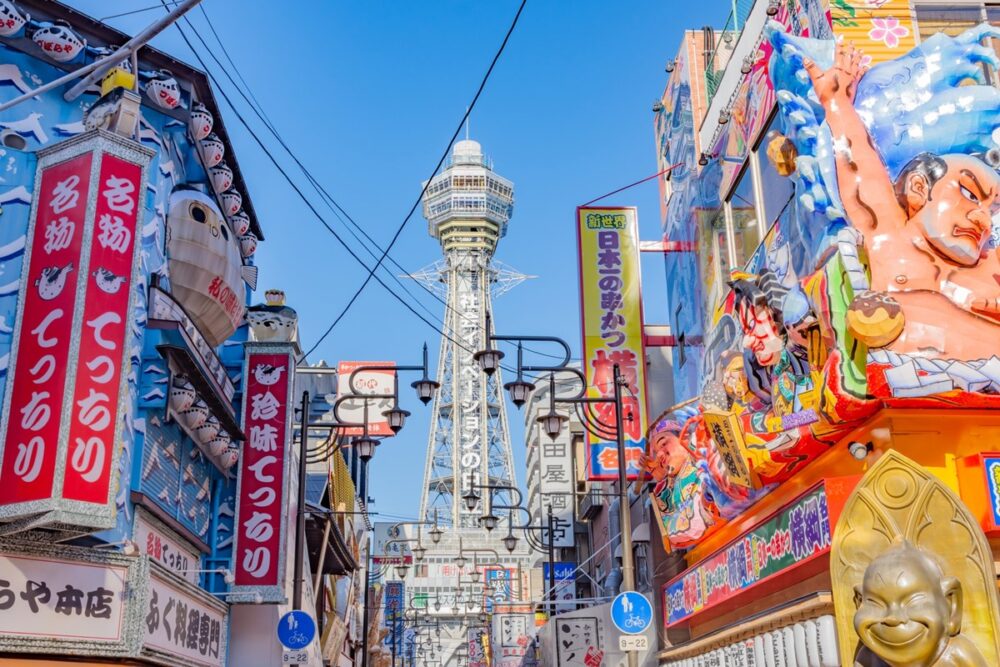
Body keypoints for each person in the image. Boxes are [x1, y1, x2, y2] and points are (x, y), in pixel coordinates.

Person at [804, 43, 1000, 360]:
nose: (983, 219)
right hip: (906, 386)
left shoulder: (991, 263)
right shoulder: (891, 238)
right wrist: (836, 102)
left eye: (991, 210)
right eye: (968, 193)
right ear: (919, 188)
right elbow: (861, 171)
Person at [853, 541, 987, 666]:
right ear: (859, 603)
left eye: (913, 601)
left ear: (950, 605)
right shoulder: (868, 658)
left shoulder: (958, 654)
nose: (892, 618)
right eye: (875, 603)